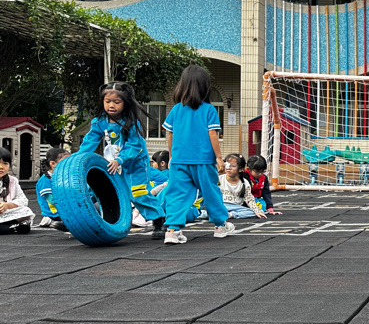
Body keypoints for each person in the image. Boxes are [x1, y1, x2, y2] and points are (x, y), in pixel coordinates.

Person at [79, 81, 165, 237]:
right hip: (113, 163)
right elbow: (89, 141)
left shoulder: (131, 123)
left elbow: (134, 146)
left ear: (125, 103)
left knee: (137, 193)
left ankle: (158, 220)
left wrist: (120, 160)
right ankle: (78, 219)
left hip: (135, 164)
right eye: (107, 101)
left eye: (116, 102)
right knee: (105, 191)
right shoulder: (99, 122)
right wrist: (78, 159)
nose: (111, 105)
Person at [160, 64, 234, 244]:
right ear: (205, 87)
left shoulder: (176, 109)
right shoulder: (209, 109)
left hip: (179, 160)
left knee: (177, 193)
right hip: (203, 160)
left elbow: (170, 134)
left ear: (182, 85)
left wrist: (171, 156)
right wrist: (219, 157)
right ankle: (220, 225)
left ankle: (172, 230)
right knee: (210, 192)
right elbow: (212, 133)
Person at [220, 154, 268, 219]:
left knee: (260, 211)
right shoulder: (219, 179)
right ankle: (217, 214)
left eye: (233, 166)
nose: (229, 168)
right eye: (227, 165)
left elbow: (249, 199)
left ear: (241, 169)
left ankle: (230, 215)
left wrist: (257, 211)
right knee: (209, 211)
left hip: (236, 207)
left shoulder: (244, 183)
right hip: (221, 205)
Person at [0, 148, 33, 233]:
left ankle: (12, 226)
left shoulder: (12, 180)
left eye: (5, 163)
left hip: (5, 212)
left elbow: (23, 200)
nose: (1, 167)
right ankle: (13, 228)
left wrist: (7, 205)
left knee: (25, 210)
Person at [36, 146, 69, 230]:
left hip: (64, 209)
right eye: (65, 162)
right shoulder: (45, 180)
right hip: (55, 212)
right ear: (53, 164)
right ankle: (53, 220)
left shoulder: (62, 178)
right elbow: (52, 200)